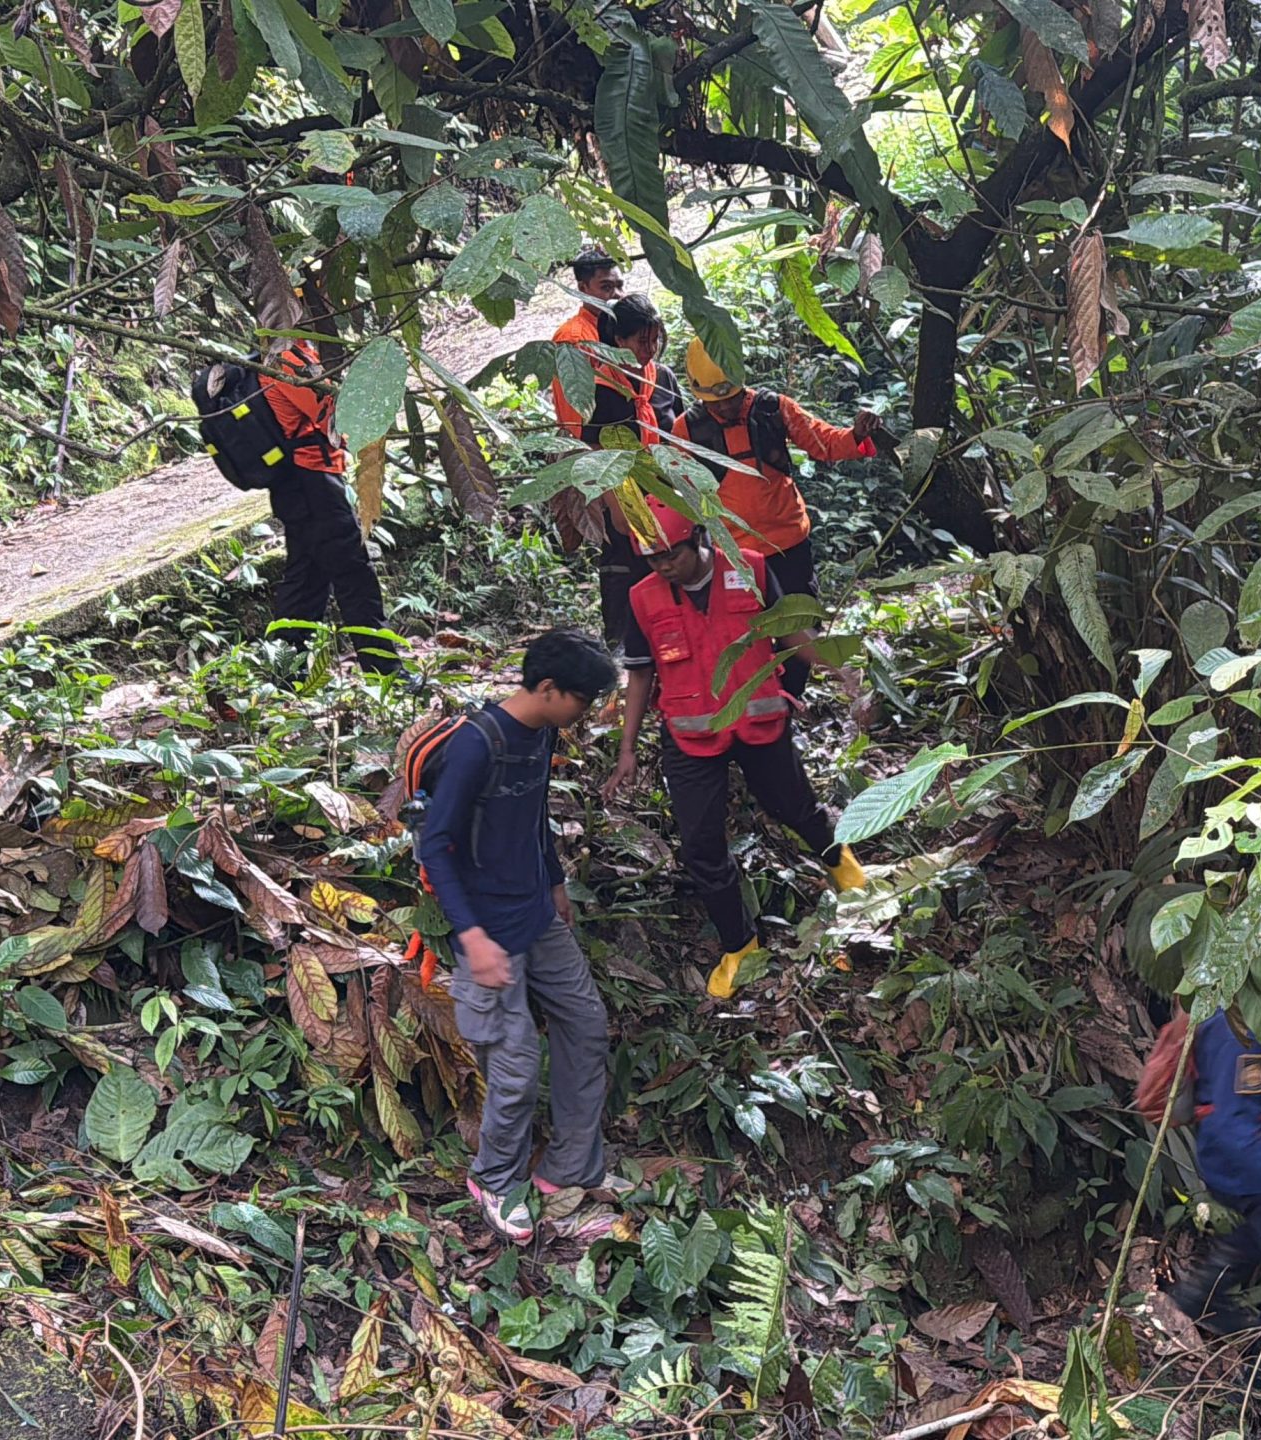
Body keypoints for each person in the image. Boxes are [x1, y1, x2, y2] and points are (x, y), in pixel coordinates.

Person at [600, 496, 867, 999]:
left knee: (796, 807)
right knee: (700, 846)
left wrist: (841, 671)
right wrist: (627, 748)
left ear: (697, 538)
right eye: (653, 560)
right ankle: (740, 946)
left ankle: (844, 868)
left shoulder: (751, 568)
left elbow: (791, 632)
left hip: (759, 719)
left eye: (671, 556)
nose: (664, 567)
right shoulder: (643, 597)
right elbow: (640, 673)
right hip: (690, 732)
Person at [419, 628, 622, 1243]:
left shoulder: (541, 735)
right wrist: (471, 937)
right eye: (583, 701)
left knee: (585, 1025)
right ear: (548, 689)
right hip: (486, 930)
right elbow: (436, 844)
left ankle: (569, 1166)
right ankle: (494, 1179)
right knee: (514, 1066)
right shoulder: (478, 747)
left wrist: (555, 881)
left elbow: (532, 814)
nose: (585, 714)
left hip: (535, 913)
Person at [669, 338, 878, 694]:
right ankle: (755, 705)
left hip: (788, 545)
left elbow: (822, 442)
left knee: (800, 629)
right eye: (716, 403)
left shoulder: (772, 408)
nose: (727, 408)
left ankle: (790, 704)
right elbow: (676, 492)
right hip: (733, 556)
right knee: (746, 636)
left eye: (732, 399)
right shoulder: (685, 431)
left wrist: (856, 436)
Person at [1167, 941, 1261, 1349]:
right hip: (1246, 1153)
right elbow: (1233, 1121)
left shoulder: (1260, 1014)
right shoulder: (1244, 1027)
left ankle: (1204, 1294)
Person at [551, 290, 686, 642]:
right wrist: (624, 513)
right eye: (642, 341)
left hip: (669, 498)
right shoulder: (602, 389)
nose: (650, 349)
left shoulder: (663, 379)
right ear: (617, 340)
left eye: (656, 339)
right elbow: (599, 456)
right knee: (628, 580)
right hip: (624, 498)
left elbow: (682, 434)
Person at [260, 340, 399, 673]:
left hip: (301, 482)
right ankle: (386, 672)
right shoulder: (287, 361)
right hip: (312, 482)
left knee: (307, 578)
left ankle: (285, 675)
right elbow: (335, 418)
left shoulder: (294, 352)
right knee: (354, 573)